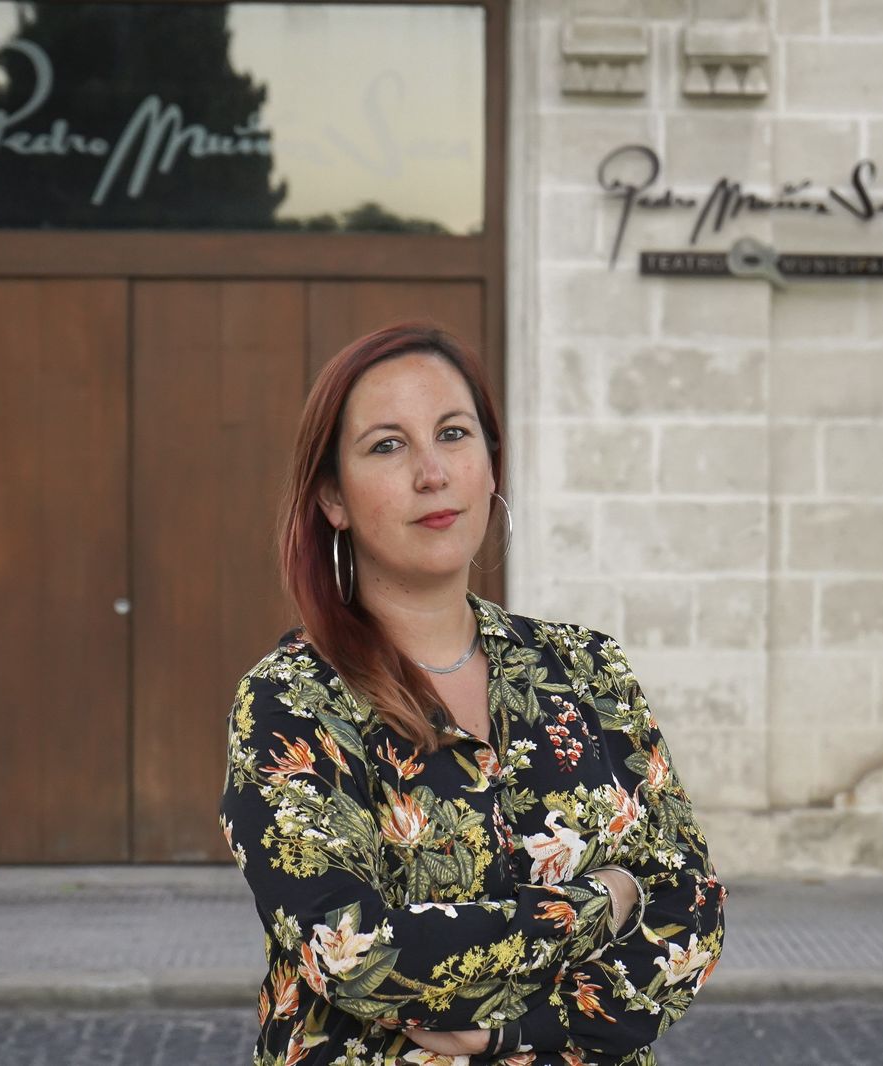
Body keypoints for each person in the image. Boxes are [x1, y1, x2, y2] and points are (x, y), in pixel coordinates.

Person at [219, 323, 726, 1066]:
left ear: (490, 462)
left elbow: (692, 910)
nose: (433, 473)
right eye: (388, 445)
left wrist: (516, 1031)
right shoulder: (291, 704)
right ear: (333, 496)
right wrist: (607, 897)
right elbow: (356, 952)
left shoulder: (586, 670)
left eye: (453, 434)